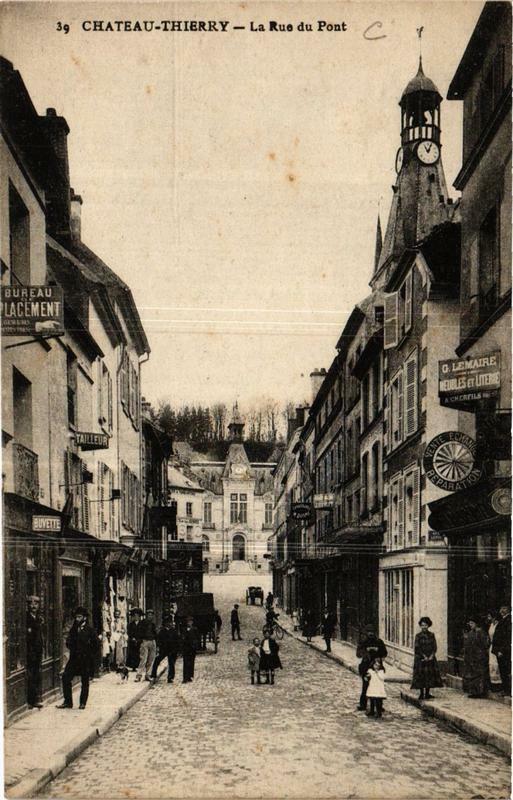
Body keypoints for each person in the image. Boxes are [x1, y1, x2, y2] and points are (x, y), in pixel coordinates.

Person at [57, 606, 97, 710]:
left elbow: (96, 645)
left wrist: (90, 656)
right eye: (76, 617)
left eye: (79, 617)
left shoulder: (90, 630)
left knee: (85, 681)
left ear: (84, 618)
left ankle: (82, 702)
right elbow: (68, 641)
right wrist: (72, 645)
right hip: (74, 659)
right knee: (66, 677)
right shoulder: (74, 629)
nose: (77, 619)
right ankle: (68, 701)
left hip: (85, 660)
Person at [356, 624, 388, 711]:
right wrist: (366, 651)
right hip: (366, 667)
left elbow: (385, 653)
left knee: (378, 686)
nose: (370, 633)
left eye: (372, 632)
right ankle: (363, 705)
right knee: (365, 686)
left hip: (377, 667)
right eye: (369, 632)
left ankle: (379, 706)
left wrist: (378, 651)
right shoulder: (363, 642)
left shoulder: (379, 642)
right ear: (366, 633)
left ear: (375, 632)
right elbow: (358, 654)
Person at [411, 617, 443, 700]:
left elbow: (434, 646)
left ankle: (427, 693)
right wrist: (424, 656)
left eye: (425, 625)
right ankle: (421, 693)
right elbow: (417, 647)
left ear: (428, 625)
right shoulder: (418, 636)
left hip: (430, 659)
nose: (424, 627)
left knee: (429, 675)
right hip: (421, 659)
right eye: (422, 625)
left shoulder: (432, 635)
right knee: (421, 675)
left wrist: (432, 655)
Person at [463, 616, 490, 698]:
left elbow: (485, 645)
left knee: (480, 674)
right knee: (472, 674)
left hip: (479, 656)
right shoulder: (471, 633)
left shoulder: (481, 632)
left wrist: (480, 653)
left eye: (472, 623)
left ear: (476, 624)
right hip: (471, 656)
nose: (470, 625)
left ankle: (480, 692)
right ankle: (474, 692)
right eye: (470, 623)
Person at [26, 596, 44, 708]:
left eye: (36, 604)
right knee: (31, 676)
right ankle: (30, 701)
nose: (33, 606)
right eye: (31, 604)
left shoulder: (38, 618)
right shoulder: (27, 618)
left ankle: (35, 698)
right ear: (28, 605)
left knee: (36, 675)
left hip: (37, 652)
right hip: (30, 652)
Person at [151, 617, 180, 684]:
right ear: (165, 623)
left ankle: (170, 678)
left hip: (172, 650)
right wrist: (159, 648)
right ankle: (153, 674)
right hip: (164, 649)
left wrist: (177, 650)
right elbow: (158, 640)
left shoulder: (174, 631)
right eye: (168, 622)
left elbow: (178, 641)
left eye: (170, 622)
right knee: (157, 660)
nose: (169, 624)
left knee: (171, 664)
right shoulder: (162, 631)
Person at [492, 604, 511, 696]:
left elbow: (507, 638)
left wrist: (501, 650)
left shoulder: (509, 620)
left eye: (504, 608)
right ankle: (505, 689)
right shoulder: (503, 620)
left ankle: (507, 690)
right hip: (499, 650)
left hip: (503, 651)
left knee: (505, 670)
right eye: (501, 608)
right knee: (502, 670)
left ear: (508, 609)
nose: (501, 610)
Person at [135, 609, 157, 683]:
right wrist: (140, 641)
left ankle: (148, 675)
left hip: (152, 641)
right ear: (146, 615)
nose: (150, 616)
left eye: (151, 615)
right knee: (143, 659)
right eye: (149, 615)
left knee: (151, 660)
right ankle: (138, 676)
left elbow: (155, 633)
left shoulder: (153, 624)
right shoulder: (142, 623)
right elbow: (138, 633)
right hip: (145, 641)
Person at [486, 611, 502, 691]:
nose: (488, 618)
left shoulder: (498, 625)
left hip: (496, 646)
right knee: (491, 664)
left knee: (496, 665)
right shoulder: (491, 625)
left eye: (489, 616)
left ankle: (498, 684)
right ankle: (493, 684)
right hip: (491, 646)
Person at [182, 616, 199, 683]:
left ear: (192, 622)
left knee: (191, 662)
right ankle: (185, 678)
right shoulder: (184, 629)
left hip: (192, 648)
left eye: (191, 621)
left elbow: (197, 638)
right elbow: (182, 638)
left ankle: (189, 676)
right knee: (185, 663)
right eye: (188, 622)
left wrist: (195, 645)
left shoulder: (195, 629)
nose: (189, 623)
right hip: (186, 648)